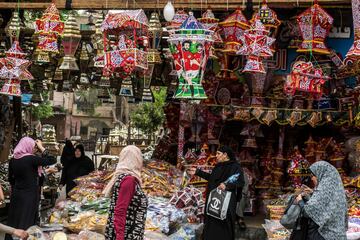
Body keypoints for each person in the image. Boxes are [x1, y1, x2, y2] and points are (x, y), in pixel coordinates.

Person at [189, 146, 244, 240]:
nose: (216, 156)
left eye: (218, 153)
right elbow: (212, 179)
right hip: (214, 200)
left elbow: (240, 182)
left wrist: (227, 186)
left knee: (224, 224)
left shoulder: (235, 167)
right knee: (212, 222)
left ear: (225, 155)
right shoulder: (218, 166)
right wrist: (198, 172)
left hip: (227, 202)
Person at [6, 137, 56, 240]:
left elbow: (10, 179)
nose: (35, 149)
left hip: (17, 195)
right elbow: (52, 159)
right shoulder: (30, 159)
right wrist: (42, 147)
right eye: (34, 147)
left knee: (15, 222)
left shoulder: (13, 160)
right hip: (29, 196)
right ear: (27, 146)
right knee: (26, 223)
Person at [291, 161, 347, 240]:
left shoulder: (323, 191)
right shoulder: (335, 189)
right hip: (337, 235)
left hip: (325, 235)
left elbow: (308, 213)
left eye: (313, 176)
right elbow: (326, 202)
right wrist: (314, 193)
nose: (312, 179)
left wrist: (300, 200)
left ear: (320, 174)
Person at [103, 145, 148, 240]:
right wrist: (120, 236)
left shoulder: (123, 177)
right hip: (127, 234)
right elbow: (120, 211)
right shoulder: (128, 180)